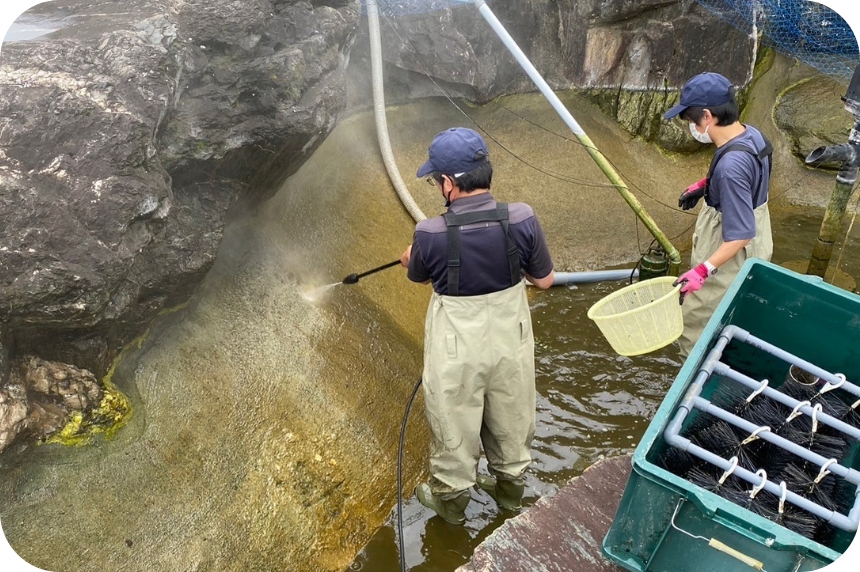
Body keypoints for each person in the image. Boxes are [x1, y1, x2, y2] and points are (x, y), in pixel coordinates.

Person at [400, 127, 555, 524]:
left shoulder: (430, 234)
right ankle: (509, 495)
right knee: (512, 412)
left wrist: (410, 256)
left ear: (449, 184)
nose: (438, 185)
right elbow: (544, 281)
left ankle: (451, 506)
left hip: (456, 347)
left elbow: (418, 275)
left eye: (436, 180)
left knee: (453, 415)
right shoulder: (521, 218)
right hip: (511, 339)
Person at [665, 72, 774, 357]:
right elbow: (749, 180)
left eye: (691, 120)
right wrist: (705, 185)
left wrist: (703, 270)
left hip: (731, 247)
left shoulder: (731, 168)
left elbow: (740, 235)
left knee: (697, 321)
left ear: (708, 116)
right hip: (759, 233)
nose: (692, 126)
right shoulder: (753, 134)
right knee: (735, 312)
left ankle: (690, 385)